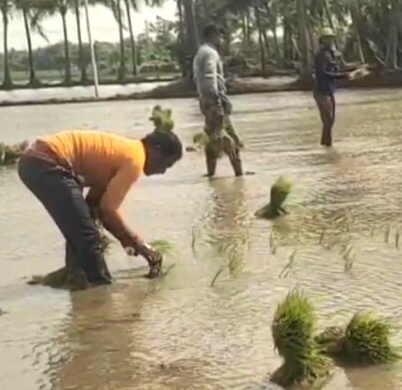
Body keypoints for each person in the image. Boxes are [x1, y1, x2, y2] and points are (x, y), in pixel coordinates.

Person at [17, 129, 183, 286]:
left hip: (35, 160)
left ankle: (76, 279)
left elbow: (95, 208)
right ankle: (101, 290)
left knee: (82, 229)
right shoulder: (135, 159)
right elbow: (109, 210)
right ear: (156, 149)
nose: (163, 171)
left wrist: (126, 241)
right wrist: (139, 244)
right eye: (166, 164)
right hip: (46, 161)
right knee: (88, 236)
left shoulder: (124, 152)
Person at [193, 24, 243, 177]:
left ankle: (211, 174)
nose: (221, 40)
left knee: (211, 137)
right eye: (220, 36)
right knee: (228, 137)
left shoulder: (200, 53)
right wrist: (219, 100)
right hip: (214, 101)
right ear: (213, 35)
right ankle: (239, 175)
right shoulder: (210, 53)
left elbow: (199, 79)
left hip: (206, 101)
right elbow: (209, 77)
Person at [313, 28, 359, 148]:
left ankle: (326, 146)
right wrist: (344, 76)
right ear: (322, 41)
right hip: (322, 92)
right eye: (327, 39)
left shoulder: (331, 55)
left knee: (330, 121)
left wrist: (355, 68)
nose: (330, 41)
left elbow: (338, 69)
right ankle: (326, 145)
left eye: (331, 38)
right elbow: (324, 73)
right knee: (328, 121)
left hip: (329, 91)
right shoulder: (321, 55)